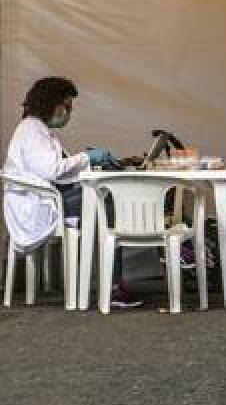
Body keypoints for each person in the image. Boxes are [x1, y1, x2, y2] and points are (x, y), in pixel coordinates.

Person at [2, 77, 141, 309]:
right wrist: (87, 158)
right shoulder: (32, 130)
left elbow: (55, 171)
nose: (69, 112)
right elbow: (52, 170)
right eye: (66, 106)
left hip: (44, 200)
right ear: (51, 103)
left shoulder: (39, 130)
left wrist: (87, 163)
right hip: (38, 206)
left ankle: (110, 283)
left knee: (102, 199)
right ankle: (114, 288)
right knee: (105, 203)